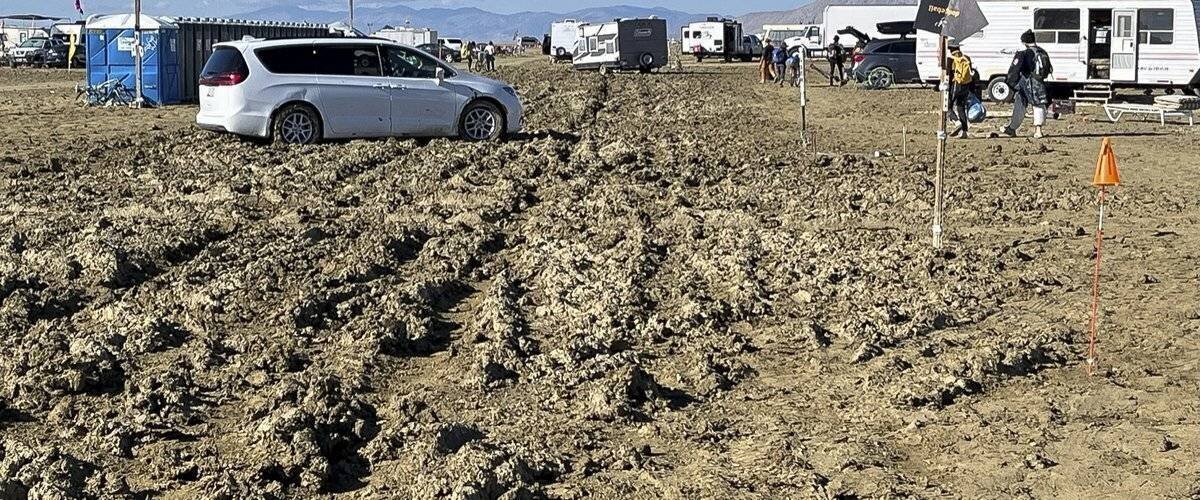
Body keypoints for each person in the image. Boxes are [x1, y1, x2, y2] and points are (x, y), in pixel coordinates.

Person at [1001, 30, 1052, 138]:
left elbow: (1015, 68)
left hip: (1026, 81)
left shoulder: (1024, 53)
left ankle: (1013, 128)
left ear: (1024, 42)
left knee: (1020, 104)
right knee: (1039, 104)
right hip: (1039, 82)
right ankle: (1038, 130)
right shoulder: (1042, 51)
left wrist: (1010, 82)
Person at [948, 43, 975, 138]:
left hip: (956, 85)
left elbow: (950, 75)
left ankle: (956, 122)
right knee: (961, 107)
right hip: (966, 86)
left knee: (948, 106)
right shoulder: (967, 58)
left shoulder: (951, 60)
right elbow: (971, 73)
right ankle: (964, 132)